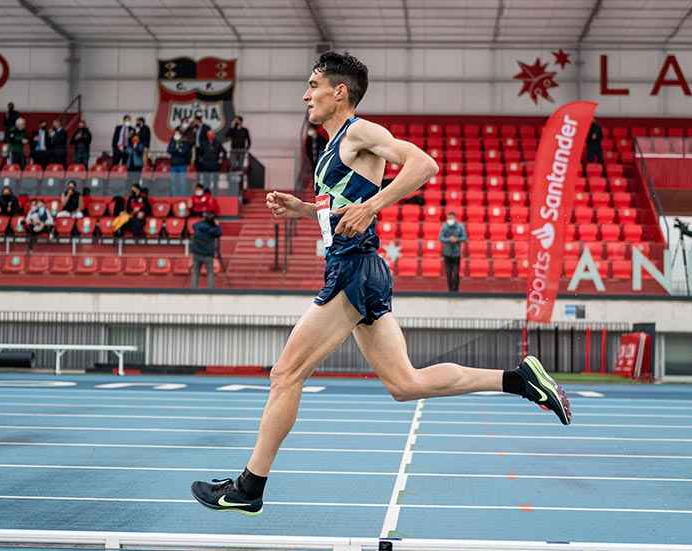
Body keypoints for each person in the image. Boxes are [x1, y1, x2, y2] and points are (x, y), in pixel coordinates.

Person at [190, 51, 572, 516]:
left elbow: (423, 166)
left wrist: (374, 207)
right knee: (405, 383)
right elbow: (348, 203)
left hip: (352, 268)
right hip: (359, 267)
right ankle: (519, 380)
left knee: (286, 374)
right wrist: (305, 210)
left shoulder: (359, 131)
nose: (306, 95)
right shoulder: (334, 148)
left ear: (339, 92)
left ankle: (250, 487)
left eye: (313, 85)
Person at [190, 211, 222, 289]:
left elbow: (193, 225)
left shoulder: (198, 226)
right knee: (210, 273)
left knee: (195, 272)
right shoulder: (213, 229)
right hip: (208, 255)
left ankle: (193, 289)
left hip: (197, 254)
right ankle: (210, 290)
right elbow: (220, 233)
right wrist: (217, 225)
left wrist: (204, 220)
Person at [439, 211, 467, 292]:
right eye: (448, 218)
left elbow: (464, 237)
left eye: (451, 218)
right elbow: (441, 238)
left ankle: (456, 290)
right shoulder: (444, 226)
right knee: (448, 273)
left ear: (454, 218)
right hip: (447, 253)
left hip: (456, 253)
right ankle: (450, 290)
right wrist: (449, 239)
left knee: (455, 273)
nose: (449, 220)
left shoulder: (460, 226)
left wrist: (457, 239)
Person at [168, 130, 192, 196]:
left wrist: (175, 150)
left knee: (182, 182)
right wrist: (177, 149)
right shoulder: (172, 141)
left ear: (181, 135)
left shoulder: (185, 142)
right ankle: (174, 196)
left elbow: (184, 152)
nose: (176, 135)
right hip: (173, 165)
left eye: (177, 133)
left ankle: (182, 196)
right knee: (173, 182)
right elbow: (169, 150)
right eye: (175, 133)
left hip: (182, 165)